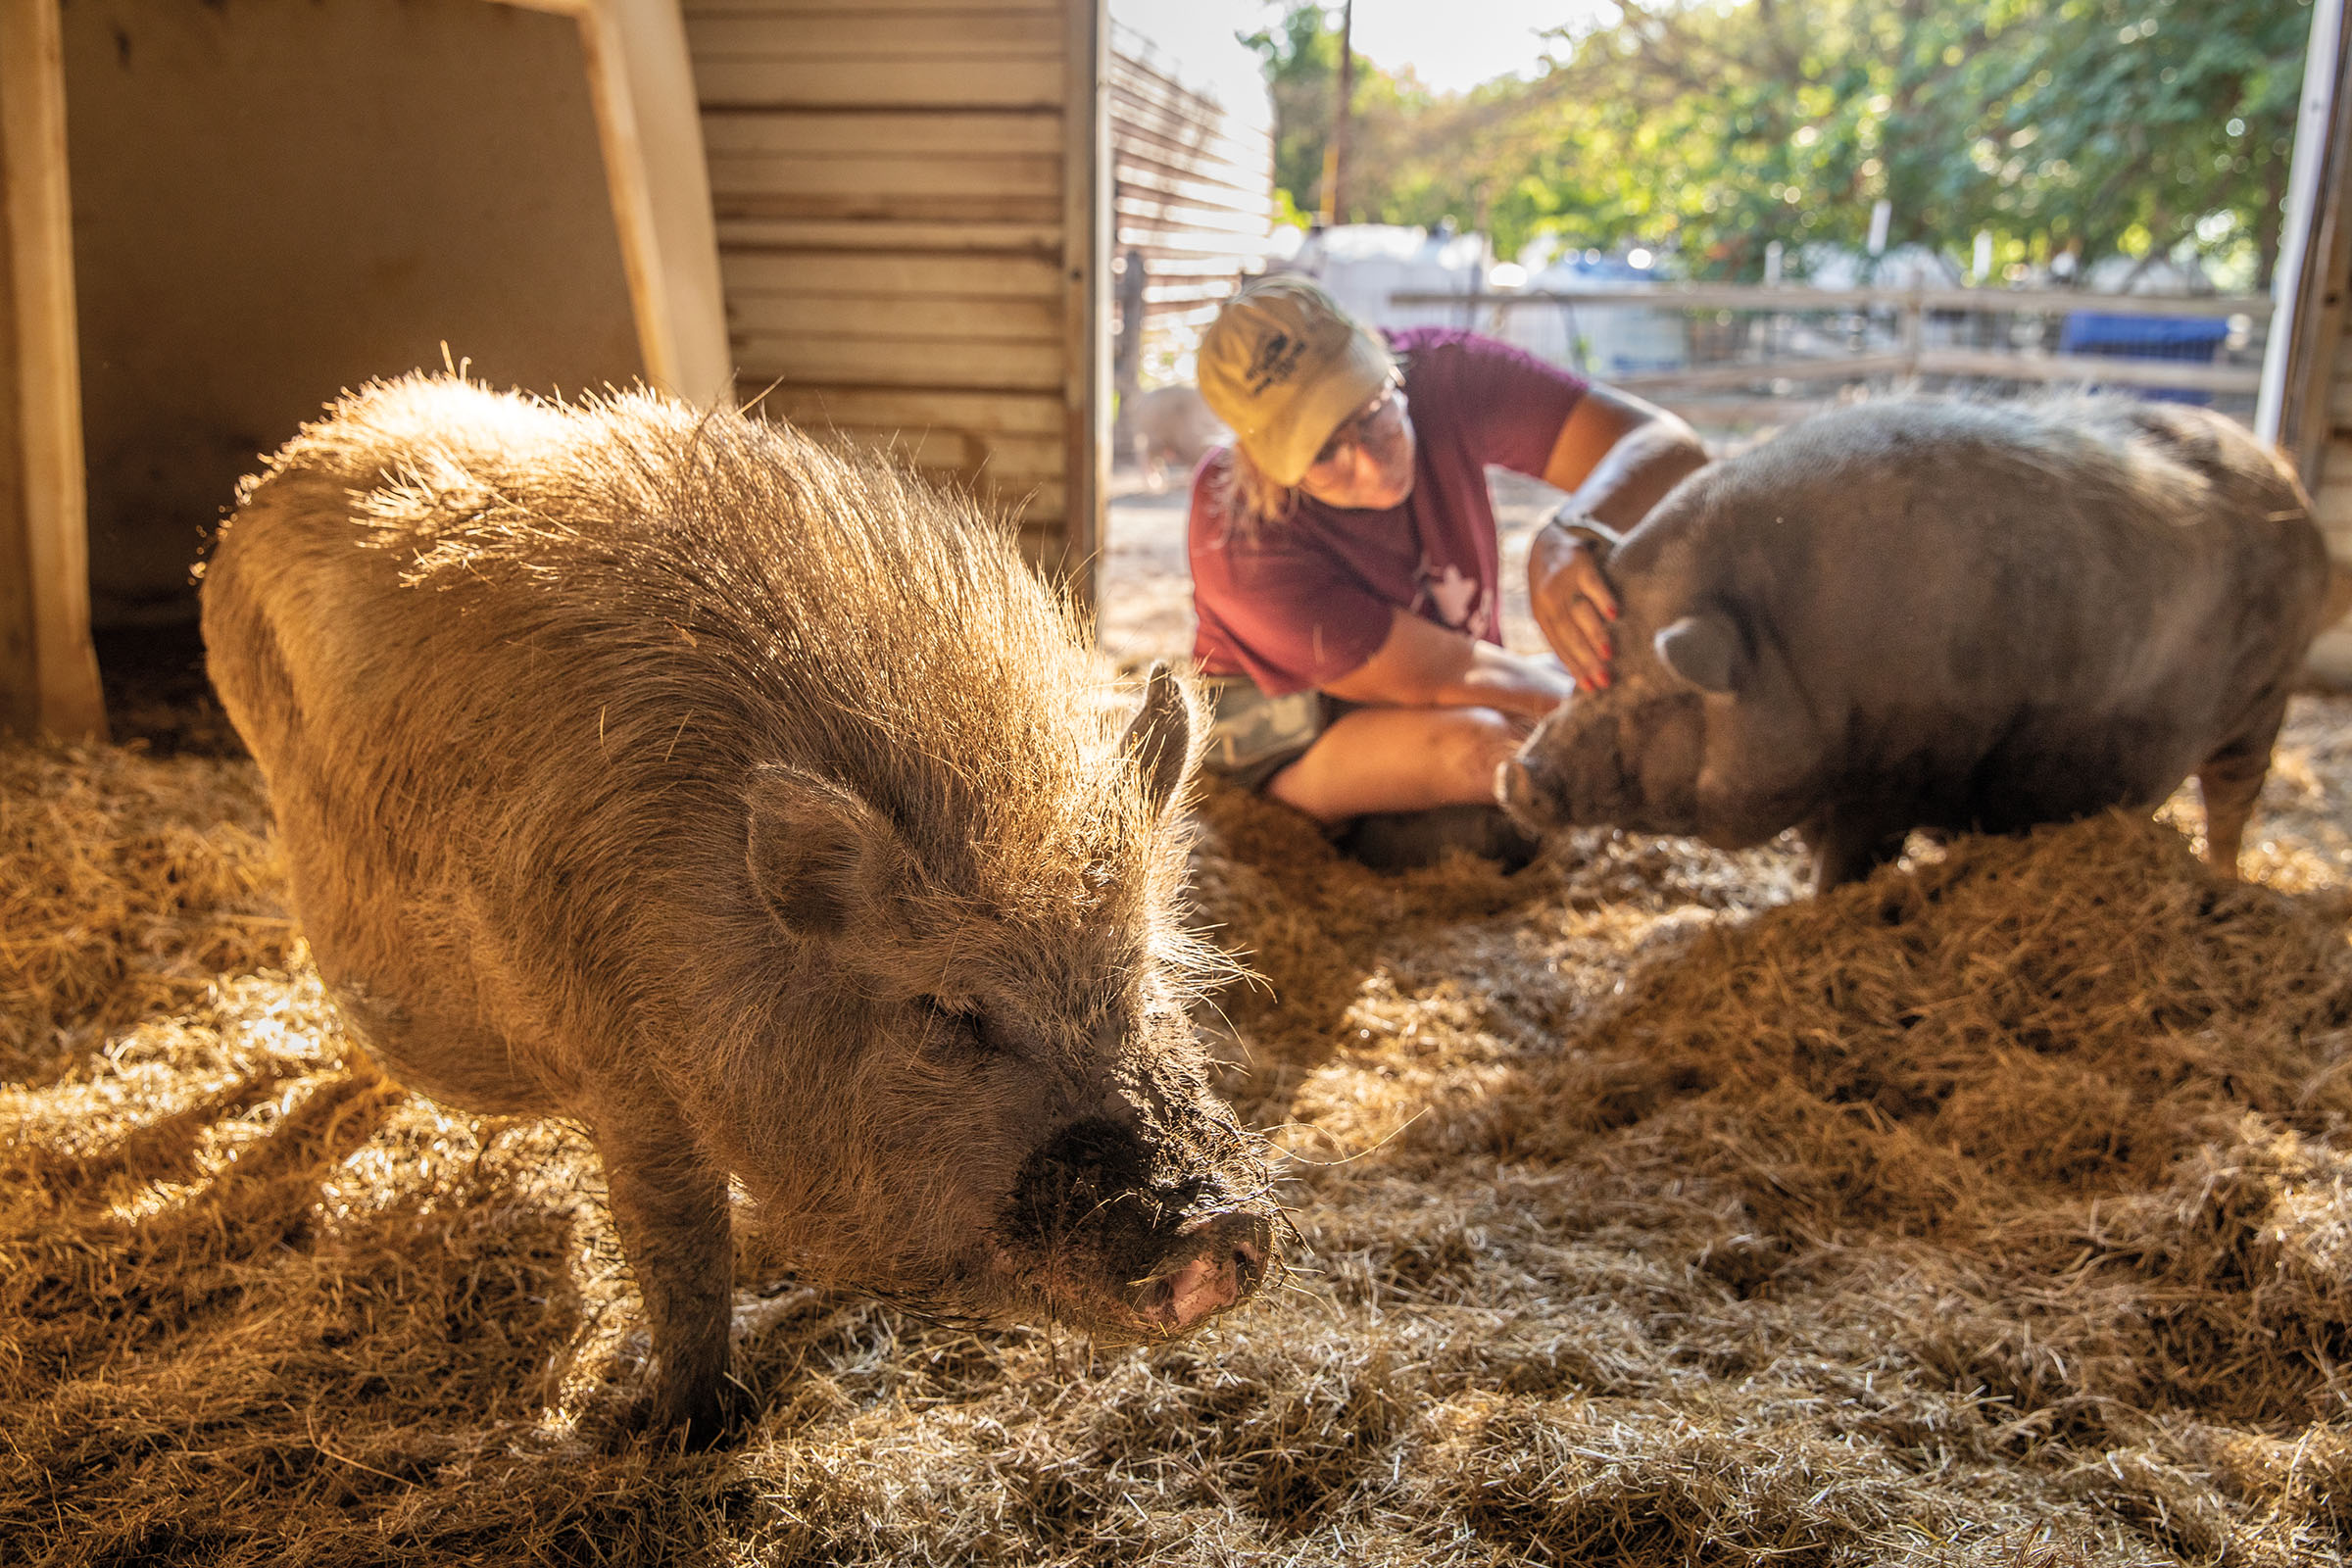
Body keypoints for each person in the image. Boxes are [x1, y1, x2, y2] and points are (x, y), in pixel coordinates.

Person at [1186, 272, 1710, 865]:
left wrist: (1571, 531)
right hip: (1289, 725)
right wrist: (1641, 723)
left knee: (1578, 695)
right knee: (1496, 753)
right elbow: (1443, 674)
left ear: (1382, 361)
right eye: (1322, 452)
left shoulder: (1445, 374)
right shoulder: (1235, 529)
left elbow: (1668, 448)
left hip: (1434, 671)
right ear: (1267, 461)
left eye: (1369, 411)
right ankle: (1339, 839)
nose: (1368, 461)